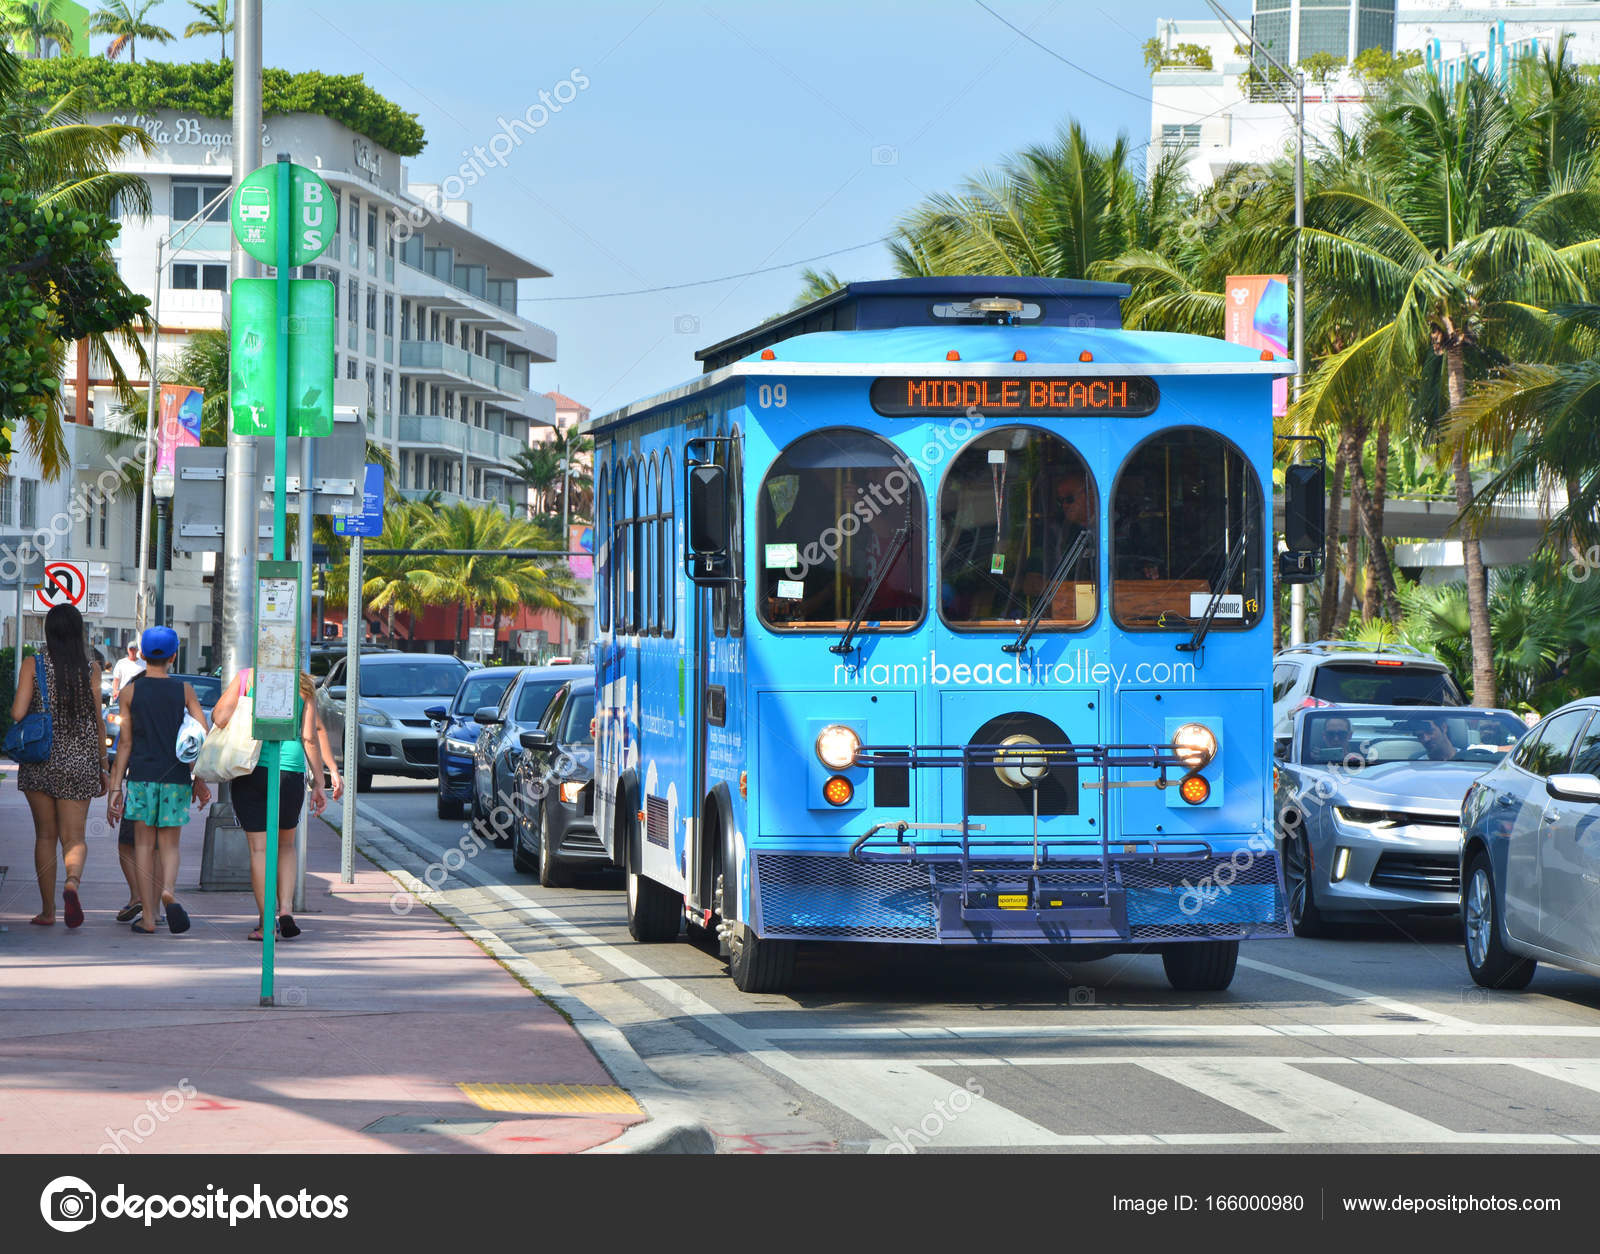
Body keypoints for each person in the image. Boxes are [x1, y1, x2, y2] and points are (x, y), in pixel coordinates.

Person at [211, 669, 329, 941]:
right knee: (286, 844)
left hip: (250, 767)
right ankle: (286, 909)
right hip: (289, 770)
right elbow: (310, 738)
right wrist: (319, 783)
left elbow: (219, 718)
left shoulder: (247, 678)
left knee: (259, 849)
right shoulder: (303, 683)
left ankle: (267, 924)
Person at [107, 627, 211, 935]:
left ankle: (149, 918)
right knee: (169, 845)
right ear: (173, 656)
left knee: (142, 844)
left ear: (140, 654)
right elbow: (200, 736)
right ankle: (167, 891)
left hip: (141, 778)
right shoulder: (185, 691)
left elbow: (124, 744)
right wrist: (199, 778)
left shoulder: (129, 692)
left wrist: (115, 788)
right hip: (176, 777)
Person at [13, 603, 107, 928]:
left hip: (40, 759)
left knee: (44, 837)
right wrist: (103, 767)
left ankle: (48, 911)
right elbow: (98, 722)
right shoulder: (91, 669)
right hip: (79, 760)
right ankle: (72, 883)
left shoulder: (32, 664)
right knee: (74, 837)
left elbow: (17, 713)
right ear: (78, 632)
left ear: (48, 632)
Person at [110, 640, 144, 705]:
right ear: (128, 650)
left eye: (134, 649)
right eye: (131, 649)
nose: (132, 651)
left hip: (139, 695)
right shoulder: (121, 663)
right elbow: (116, 679)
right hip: (124, 695)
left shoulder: (143, 663)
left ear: (137, 650)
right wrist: (115, 691)